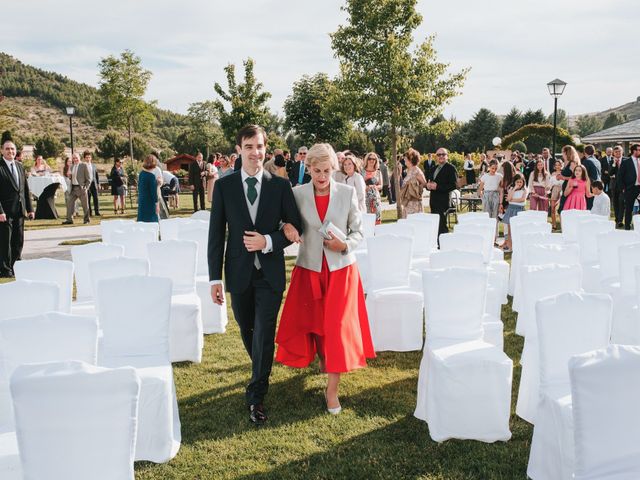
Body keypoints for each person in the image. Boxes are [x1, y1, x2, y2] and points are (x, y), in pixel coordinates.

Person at [208, 125, 302, 425]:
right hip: (237, 273)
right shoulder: (224, 187)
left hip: (270, 275)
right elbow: (216, 236)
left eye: (259, 146)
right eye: (249, 146)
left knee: (263, 332)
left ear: (266, 148)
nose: (255, 152)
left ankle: (256, 396)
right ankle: (261, 370)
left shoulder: (280, 186)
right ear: (239, 150)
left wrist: (269, 241)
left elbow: (294, 228)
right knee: (247, 330)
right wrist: (214, 279)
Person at [276, 143, 375, 415]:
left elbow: (358, 232)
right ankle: (323, 361)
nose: (321, 176)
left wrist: (344, 246)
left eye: (326, 170)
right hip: (309, 269)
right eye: (316, 170)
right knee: (315, 324)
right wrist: (286, 227)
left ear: (334, 168)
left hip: (341, 271)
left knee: (337, 329)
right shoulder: (296, 194)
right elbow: (283, 221)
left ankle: (331, 391)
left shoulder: (347, 193)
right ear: (308, 169)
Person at [0, 140, 34, 278]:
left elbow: (25, 189)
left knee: (18, 240)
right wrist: (0, 211)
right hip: (5, 213)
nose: (10, 152)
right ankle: (5, 269)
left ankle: (16, 266)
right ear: (2, 150)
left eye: (12, 149)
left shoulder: (20, 166)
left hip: (20, 210)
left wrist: (30, 208)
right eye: (7, 149)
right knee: (5, 241)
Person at [427, 148, 458, 236]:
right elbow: (430, 182)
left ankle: (444, 245)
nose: (441, 156)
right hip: (433, 201)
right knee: (435, 226)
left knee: (442, 226)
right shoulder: (433, 168)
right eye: (439, 155)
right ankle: (436, 245)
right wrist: (428, 186)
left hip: (443, 201)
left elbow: (454, 185)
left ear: (447, 156)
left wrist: (438, 187)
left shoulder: (451, 168)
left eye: (443, 154)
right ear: (436, 157)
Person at [62, 153, 91, 225]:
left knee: (85, 205)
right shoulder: (72, 166)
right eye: (74, 158)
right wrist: (69, 176)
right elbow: (71, 177)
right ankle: (69, 220)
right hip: (73, 188)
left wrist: (86, 188)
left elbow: (89, 179)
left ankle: (86, 220)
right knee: (69, 203)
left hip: (81, 188)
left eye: (76, 158)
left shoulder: (84, 165)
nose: (75, 159)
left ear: (79, 158)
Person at [501, 173, 527, 252]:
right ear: (514, 182)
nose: (519, 184)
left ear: (523, 182)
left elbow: (522, 199)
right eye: (517, 182)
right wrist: (514, 188)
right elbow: (508, 198)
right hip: (511, 209)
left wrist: (512, 200)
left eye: (520, 182)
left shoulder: (524, 190)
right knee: (510, 229)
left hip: (520, 210)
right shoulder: (511, 189)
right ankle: (510, 246)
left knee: (519, 229)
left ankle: (519, 247)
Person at [617, 143, 640, 230]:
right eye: (639, 150)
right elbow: (620, 176)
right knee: (629, 209)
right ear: (634, 151)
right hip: (630, 189)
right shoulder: (626, 162)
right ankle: (627, 227)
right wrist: (623, 188)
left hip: (639, 188)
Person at [399, 148, 427, 218]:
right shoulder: (409, 170)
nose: (404, 159)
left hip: (415, 203)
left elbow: (424, 184)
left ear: (411, 158)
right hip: (407, 202)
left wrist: (416, 187)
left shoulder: (417, 171)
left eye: (406, 157)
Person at [477, 159, 502, 227]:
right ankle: (487, 231)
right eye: (492, 168)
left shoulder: (499, 176)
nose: (494, 170)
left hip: (495, 195)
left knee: (495, 215)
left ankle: (495, 234)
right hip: (486, 195)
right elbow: (480, 189)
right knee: (487, 215)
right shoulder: (485, 176)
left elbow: (501, 188)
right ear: (489, 167)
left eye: (496, 168)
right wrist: (482, 197)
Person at [137, 155, 160, 223]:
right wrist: (157, 204)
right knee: (151, 224)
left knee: (142, 223)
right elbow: (153, 193)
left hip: (142, 201)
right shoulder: (151, 176)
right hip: (150, 203)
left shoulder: (141, 174)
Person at [362, 152, 383, 224]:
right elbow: (359, 184)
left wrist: (375, 187)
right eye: (370, 159)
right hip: (365, 198)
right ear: (366, 160)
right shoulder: (362, 172)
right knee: (367, 219)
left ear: (376, 161)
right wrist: (366, 187)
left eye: (374, 159)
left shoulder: (378, 172)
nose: (371, 160)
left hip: (376, 198)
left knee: (377, 217)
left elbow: (381, 185)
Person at [609, 146, 625, 227]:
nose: (618, 153)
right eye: (616, 152)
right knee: (615, 203)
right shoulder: (611, 161)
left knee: (621, 202)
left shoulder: (626, 160)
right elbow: (610, 173)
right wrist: (614, 164)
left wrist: (617, 176)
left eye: (619, 151)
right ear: (613, 153)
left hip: (623, 186)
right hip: (614, 186)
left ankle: (620, 220)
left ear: (622, 152)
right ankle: (617, 219)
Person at [549, 160, 564, 230]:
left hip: (562, 190)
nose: (557, 166)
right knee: (552, 208)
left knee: (561, 209)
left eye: (559, 165)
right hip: (554, 190)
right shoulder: (552, 174)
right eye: (556, 165)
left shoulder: (564, 173)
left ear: (561, 165)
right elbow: (550, 185)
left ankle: (562, 224)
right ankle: (554, 224)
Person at [84, 151, 101, 217]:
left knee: (96, 198)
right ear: (84, 158)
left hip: (94, 183)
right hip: (87, 184)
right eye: (86, 157)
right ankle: (89, 212)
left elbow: (96, 175)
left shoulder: (93, 165)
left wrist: (98, 183)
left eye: (89, 157)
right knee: (88, 199)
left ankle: (97, 212)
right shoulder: (83, 165)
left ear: (91, 158)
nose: (88, 159)